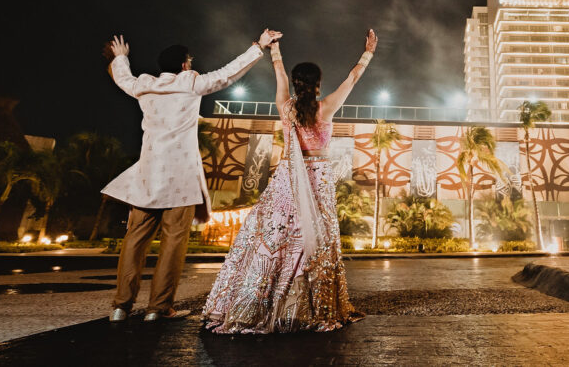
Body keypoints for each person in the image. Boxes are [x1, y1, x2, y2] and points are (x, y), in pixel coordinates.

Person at [202, 29, 378, 334]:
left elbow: (278, 75)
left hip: (287, 178)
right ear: (318, 84)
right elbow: (352, 79)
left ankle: (259, 300)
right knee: (315, 239)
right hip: (318, 178)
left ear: (297, 83)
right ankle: (310, 305)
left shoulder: (286, 108)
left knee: (277, 235)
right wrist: (368, 53)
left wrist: (275, 50)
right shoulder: (327, 108)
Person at [102, 29, 281, 322]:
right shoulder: (191, 84)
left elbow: (124, 79)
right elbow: (228, 73)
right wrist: (258, 47)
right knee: (172, 245)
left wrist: (121, 58)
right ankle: (158, 309)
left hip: (147, 177)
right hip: (180, 180)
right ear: (185, 64)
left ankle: (121, 306)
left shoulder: (144, 87)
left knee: (134, 242)